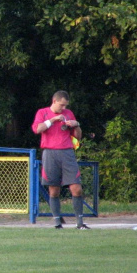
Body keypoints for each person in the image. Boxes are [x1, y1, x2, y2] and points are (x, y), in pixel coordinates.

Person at [32, 90, 90, 229]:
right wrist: (52, 120)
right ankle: (57, 223)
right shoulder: (43, 112)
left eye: (65, 106)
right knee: (54, 190)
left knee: (76, 188)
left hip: (67, 153)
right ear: (54, 101)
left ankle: (80, 223)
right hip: (50, 153)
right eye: (61, 105)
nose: (63, 108)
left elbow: (77, 137)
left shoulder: (68, 114)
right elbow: (37, 129)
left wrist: (76, 125)